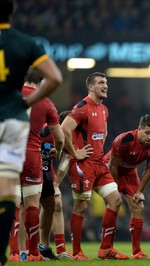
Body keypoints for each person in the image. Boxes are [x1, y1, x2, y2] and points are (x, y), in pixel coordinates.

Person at [0, 0, 62, 264]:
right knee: (20, 198)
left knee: (8, 198)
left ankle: (13, 253)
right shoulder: (26, 43)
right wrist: (26, 102)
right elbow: (56, 78)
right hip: (15, 124)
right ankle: (32, 253)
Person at [61, 72, 128, 261]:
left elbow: (103, 132)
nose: (105, 86)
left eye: (106, 82)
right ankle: (76, 253)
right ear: (91, 87)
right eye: (100, 83)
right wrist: (75, 152)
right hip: (83, 165)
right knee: (81, 206)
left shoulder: (104, 109)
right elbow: (64, 128)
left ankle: (106, 249)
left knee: (115, 200)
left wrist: (100, 152)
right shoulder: (82, 107)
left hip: (99, 164)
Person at [8, 68, 64, 262]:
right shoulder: (46, 101)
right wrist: (57, 149)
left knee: (13, 205)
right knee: (32, 205)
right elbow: (59, 137)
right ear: (41, 82)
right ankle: (33, 253)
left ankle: (14, 253)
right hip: (32, 155)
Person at [104, 114, 150, 259]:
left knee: (138, 207)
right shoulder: (125, 140)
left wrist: (140, 191)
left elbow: (149, 169)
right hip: (110, 170)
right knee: (114, 205)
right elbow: (114, 165)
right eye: (147, 133)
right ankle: (106, 248)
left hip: (130, 173)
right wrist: (114, 188)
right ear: (139, 129)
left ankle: (137, 252)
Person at [38, 110, 73, 260]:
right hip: (30, 165)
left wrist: (56, 183)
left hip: (46, 168)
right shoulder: (45, 130)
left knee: (56, 203)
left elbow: (65, 160)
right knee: (27, 205)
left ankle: (60, 248)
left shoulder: (69, 135)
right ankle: (26, 249)